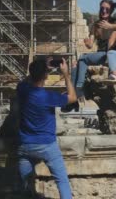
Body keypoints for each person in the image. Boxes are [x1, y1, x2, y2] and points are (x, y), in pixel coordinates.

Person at [17, 58, 77, 198]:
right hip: (46, 145)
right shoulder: (48, 96)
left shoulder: (23, 90)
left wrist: (40, 69)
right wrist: (66, 74)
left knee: (24, 185)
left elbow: (25, 81)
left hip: (24, 145)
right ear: (46, 76)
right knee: (62, 180)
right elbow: (73, 97)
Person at [74, 0, 116, 99]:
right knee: (76, 64)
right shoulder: (96, 25)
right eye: (102, 8)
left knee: (83, 58)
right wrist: (88, 43)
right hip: (101, 54)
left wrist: (109, 57)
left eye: (107, 9)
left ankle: (79, 88)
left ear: (111, 11)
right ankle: (77, 90)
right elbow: (90, 45)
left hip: (113, 54)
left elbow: (112, 41)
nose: (104, 11)